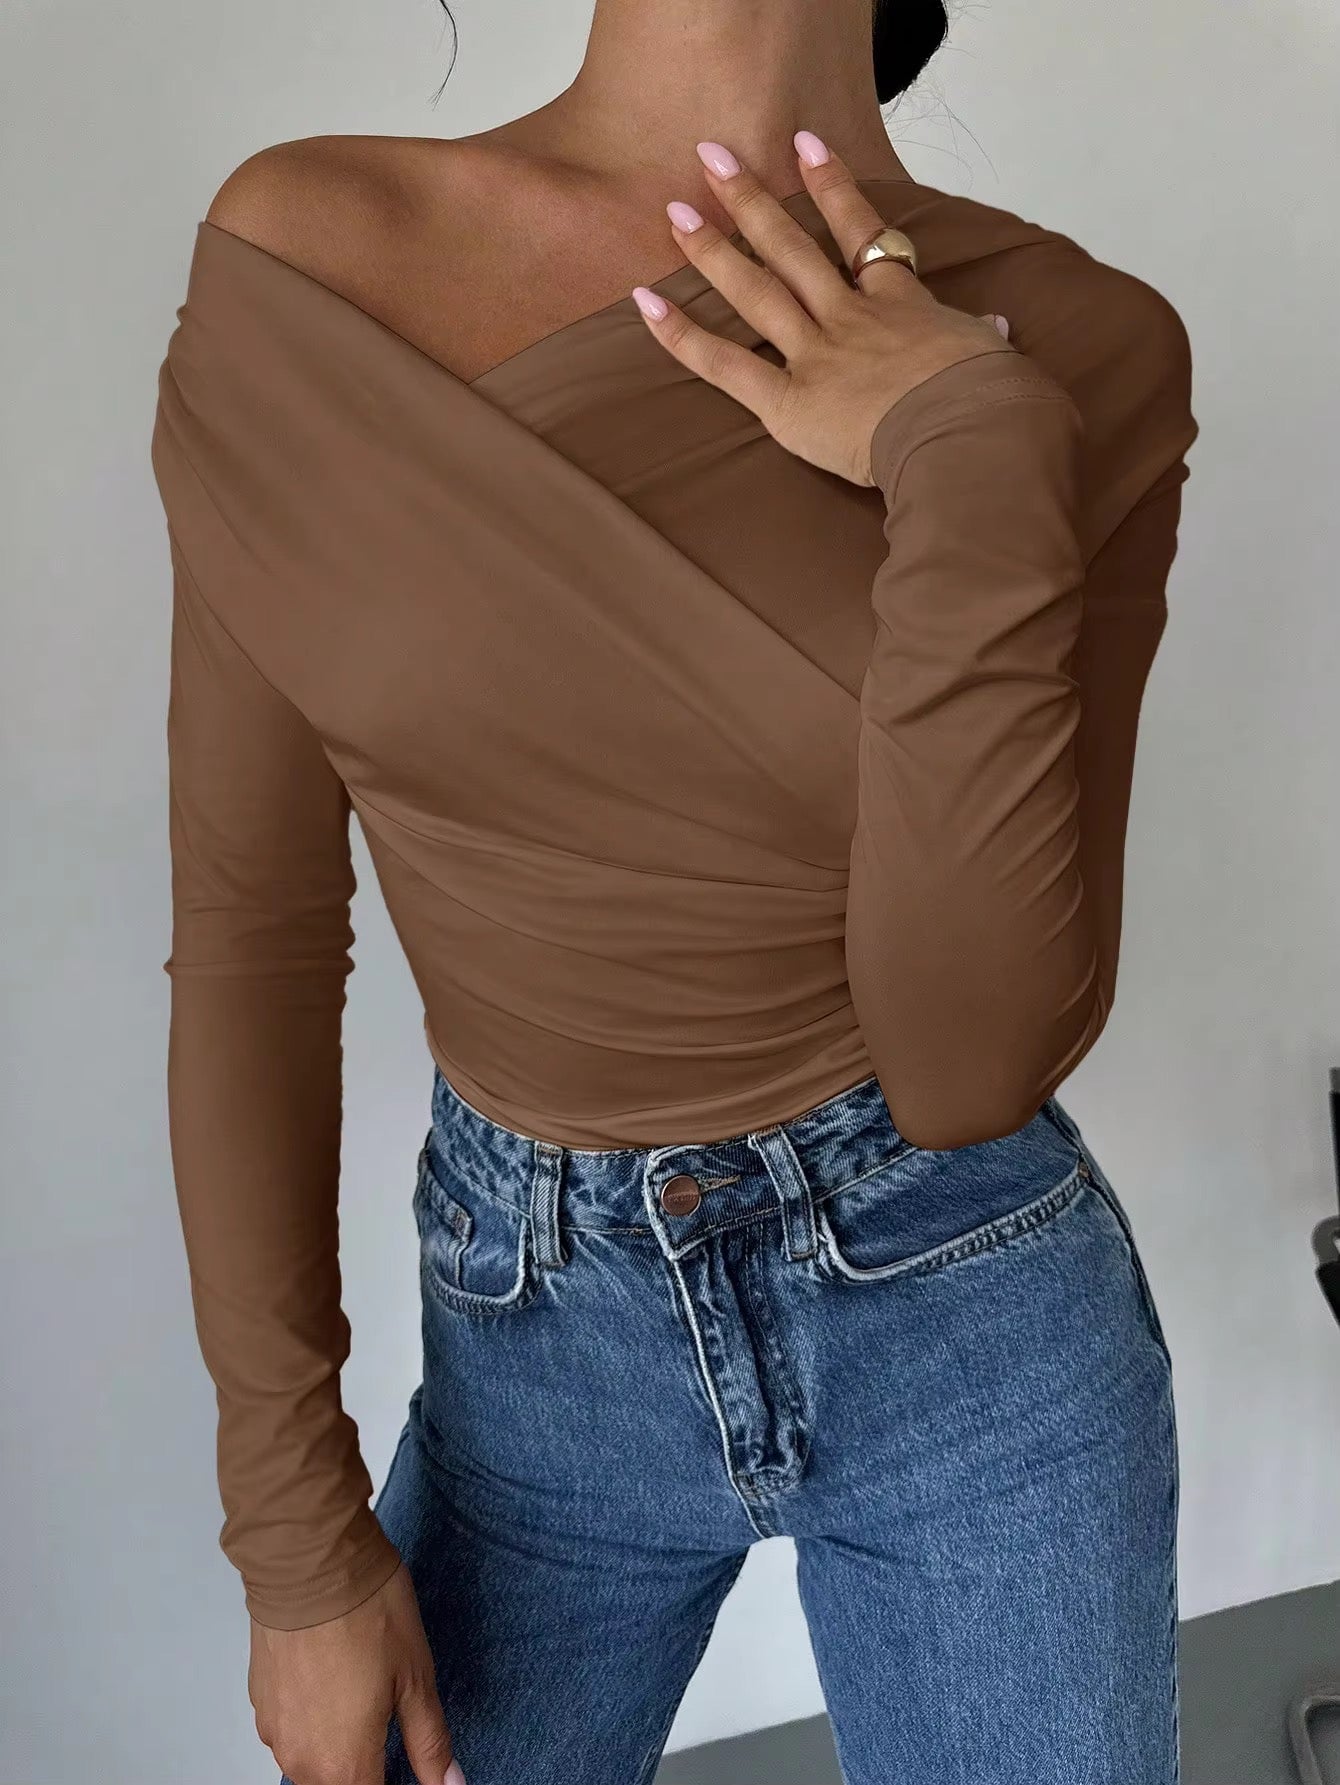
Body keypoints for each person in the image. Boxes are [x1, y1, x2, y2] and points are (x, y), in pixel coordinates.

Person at [149, 0, 1198, 1781]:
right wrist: (296, 1537)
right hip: (534, 1349)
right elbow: (253, 937)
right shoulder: (310, 257)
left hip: (972, 1313)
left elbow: (967, 1068)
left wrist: (968, 436)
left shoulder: (1077, 342)